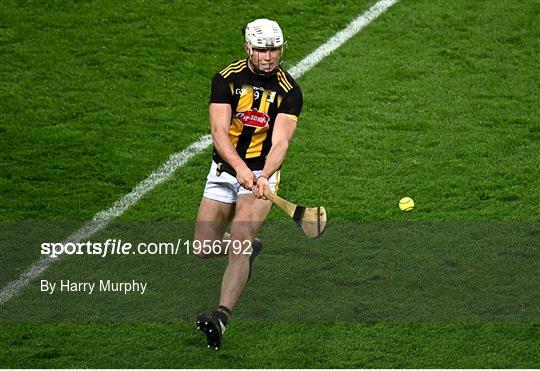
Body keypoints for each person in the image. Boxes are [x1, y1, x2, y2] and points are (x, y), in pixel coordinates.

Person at [194, 18, 303, 350]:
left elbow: (281, 143)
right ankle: (248, 249)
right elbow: (218, 132)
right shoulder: (226, 80)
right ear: (247, 49)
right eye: (262, 50)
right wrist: (240, 169)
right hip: (224, 171)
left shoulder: (289, 91)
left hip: (262, 178)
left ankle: (221, 318)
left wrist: (262, 175)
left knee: (240, 238)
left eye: (274, 49)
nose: (269, 57)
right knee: (202, 248)